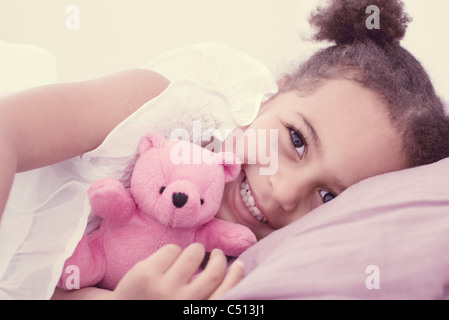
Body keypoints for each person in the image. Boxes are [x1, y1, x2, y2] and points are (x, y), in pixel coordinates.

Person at [0, 0, 448, 299]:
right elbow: (9, 131)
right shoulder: (165, 108)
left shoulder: (226, 269)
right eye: (296, 139)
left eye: (329, 197)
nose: (286, 193)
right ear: (275, 94)